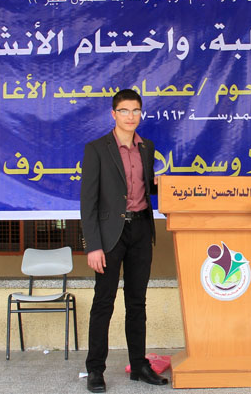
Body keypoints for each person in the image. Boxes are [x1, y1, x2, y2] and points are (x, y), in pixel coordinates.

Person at [80, 89, 167, 393]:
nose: (131, 116)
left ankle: (139, 365)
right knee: (103, 302)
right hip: (109, 235)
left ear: (141, 114)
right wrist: (93, 245)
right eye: (124, 111)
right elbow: (88, 202)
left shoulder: (147, 146)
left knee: (137, 302)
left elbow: (143, 187)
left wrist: (159, 185)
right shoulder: (97, 149)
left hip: (141, 230)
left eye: (136, 111)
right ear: (113, 114)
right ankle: (95, 369)